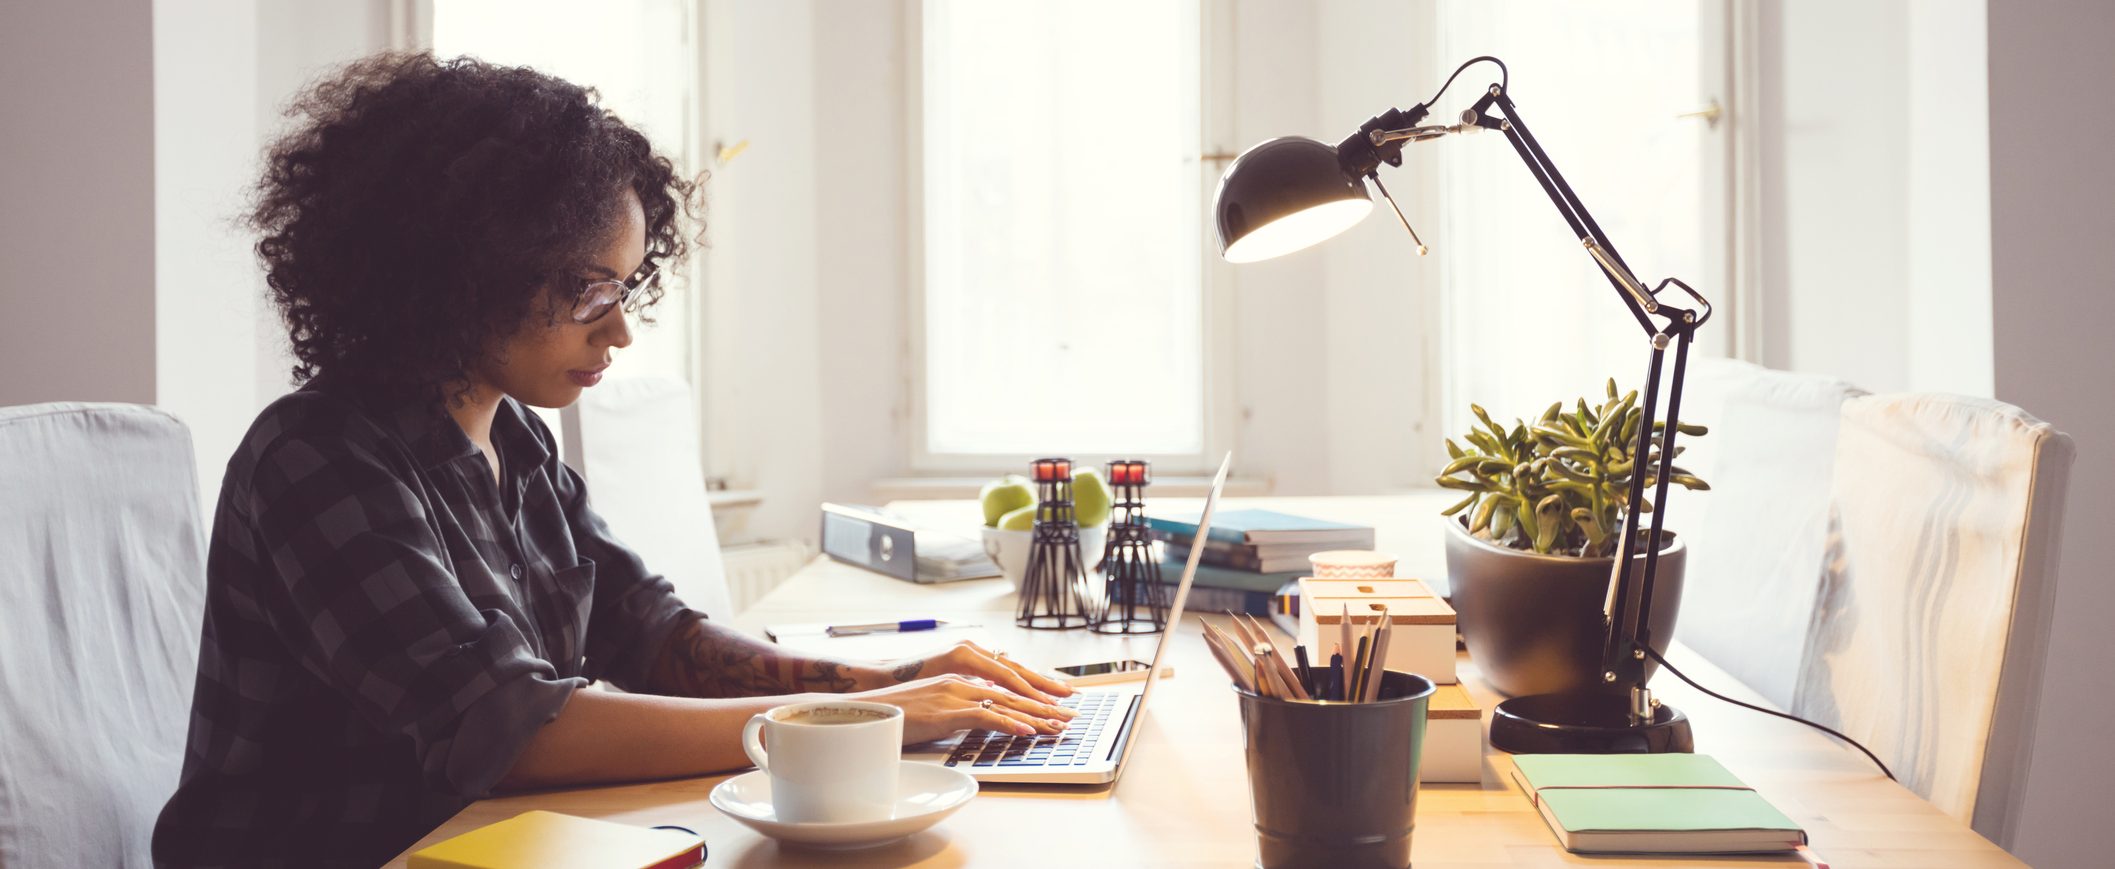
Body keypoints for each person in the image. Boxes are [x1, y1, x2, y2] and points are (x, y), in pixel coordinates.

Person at [151, 53, 1073, 867]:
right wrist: (855, 724)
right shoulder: (317, 457)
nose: (622, 330)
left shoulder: (514, 441)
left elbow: (653, 637)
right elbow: (511, 731)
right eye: (589, 288)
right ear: (462, 268)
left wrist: (898, 687)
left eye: (624, 288)